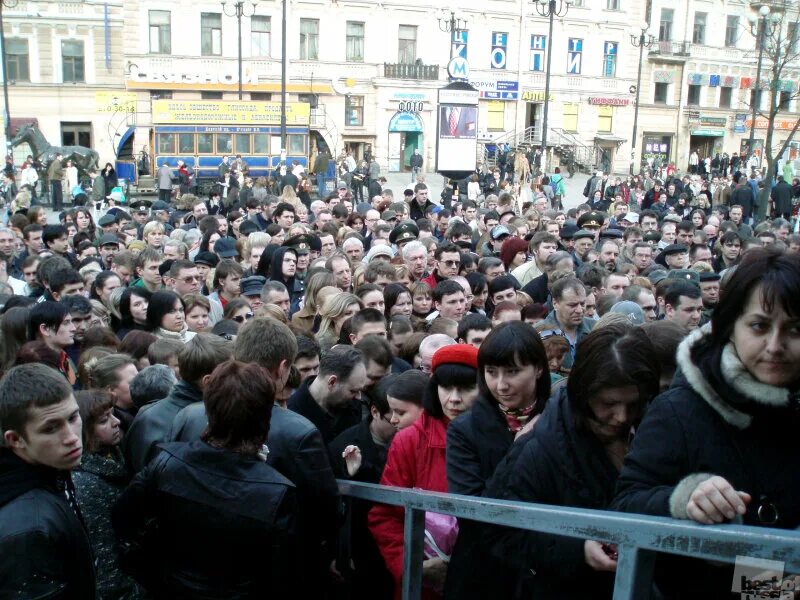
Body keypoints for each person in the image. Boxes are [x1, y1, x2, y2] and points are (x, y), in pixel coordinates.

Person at [612, 248, 800, 597]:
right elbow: (626, 505)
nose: (776, 345)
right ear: (731, 327)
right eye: (759, 325)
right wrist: (684, 500)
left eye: (794, 329)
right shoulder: (680, 410)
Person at [491, 324, 660, 599]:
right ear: (584, 392)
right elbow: (501, 532)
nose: (621, 416)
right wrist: (578, 549)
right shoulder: (538, 450)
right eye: (609, 403)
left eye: (633, 404)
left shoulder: (661, 429)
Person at [112, 359, 299, 597]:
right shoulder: (278, 491)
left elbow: (124, 518)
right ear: (266, 415)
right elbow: (283, 574)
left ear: (209, 409)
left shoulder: (167, 461)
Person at [445, 322, 552, 600]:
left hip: (550, 568)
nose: (501, 384)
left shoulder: (561, 417)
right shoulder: (465, 430)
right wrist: (519, 449)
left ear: (539, 368)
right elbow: (472, 511)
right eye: (491, 372)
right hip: (484, 573)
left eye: (513, 372)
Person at [369, 344, 480, 599]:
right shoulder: (409, 440)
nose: (453, 398)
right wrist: (412, 565)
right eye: (445, 387)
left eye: (465, 388)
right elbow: (385, 516)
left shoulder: (500, 439)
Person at [0, 363, 96, 598]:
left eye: (73, 417)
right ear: (16, 440)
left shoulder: (50, 469)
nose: (71, 437)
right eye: (51, 428)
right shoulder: (28, 529)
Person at [124, 334, 233, 473]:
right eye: (231, 372)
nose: (237, 377)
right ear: (208, 381)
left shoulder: (147, 415)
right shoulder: (207, 421)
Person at [71, 389, 138, 599]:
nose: (116, 422)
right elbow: (103, 554)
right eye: (104, 420)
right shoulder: (85, 483)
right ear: (84, 429)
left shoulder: (112, 454)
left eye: (113, 414)